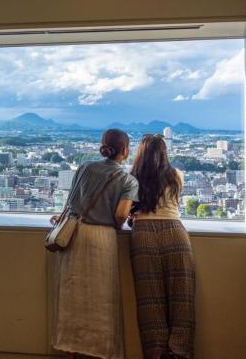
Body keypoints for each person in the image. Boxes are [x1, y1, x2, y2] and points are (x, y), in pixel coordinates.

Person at [51, 129, 139, 359]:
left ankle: (69, 349)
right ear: (125, 150)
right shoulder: (128, 180)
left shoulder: (85, 167)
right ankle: (99, 351)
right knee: (102, 299)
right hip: (102, 238)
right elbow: (121, 215)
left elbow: (71, 201)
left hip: (74, 234)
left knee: (71, 295)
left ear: (103, 146)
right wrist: (115, 223)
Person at [130, 134, 195, 359]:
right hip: (175, 232)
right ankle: (179, 352)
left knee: (150, 298)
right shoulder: (176, 175)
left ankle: (156, 353)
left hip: (143, 234)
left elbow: (130, 209)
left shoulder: (132, 177)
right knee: (182, 296)